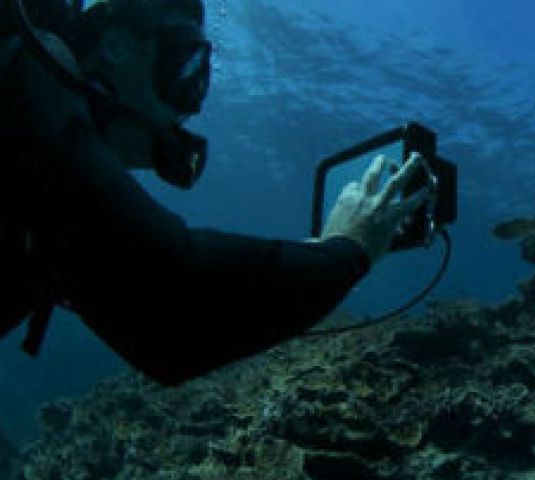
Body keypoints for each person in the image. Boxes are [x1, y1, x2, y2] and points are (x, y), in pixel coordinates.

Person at [0, 0, 428, 385]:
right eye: (185, 69)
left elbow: (150, 289)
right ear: (116, 47)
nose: (191, 105)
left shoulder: (38, 149)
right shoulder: (30, 74)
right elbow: (176, 307)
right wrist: (348, 248)